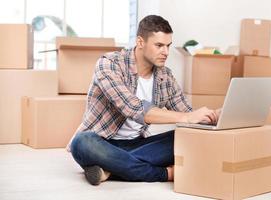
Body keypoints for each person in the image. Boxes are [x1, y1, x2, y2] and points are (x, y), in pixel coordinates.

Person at [68, 15, 220, 186]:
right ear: (140, 42)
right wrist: (186, 118)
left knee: (188, 137)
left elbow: (189, 115)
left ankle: (110, 169)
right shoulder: (109, 64)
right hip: (101, 143)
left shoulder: (165, 76)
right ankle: (164, 173)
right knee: (81, 143)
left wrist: (214, 115)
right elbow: (133, 108)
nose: (166, 52)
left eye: (168, 46)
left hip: (139, 146)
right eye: (159, 45)